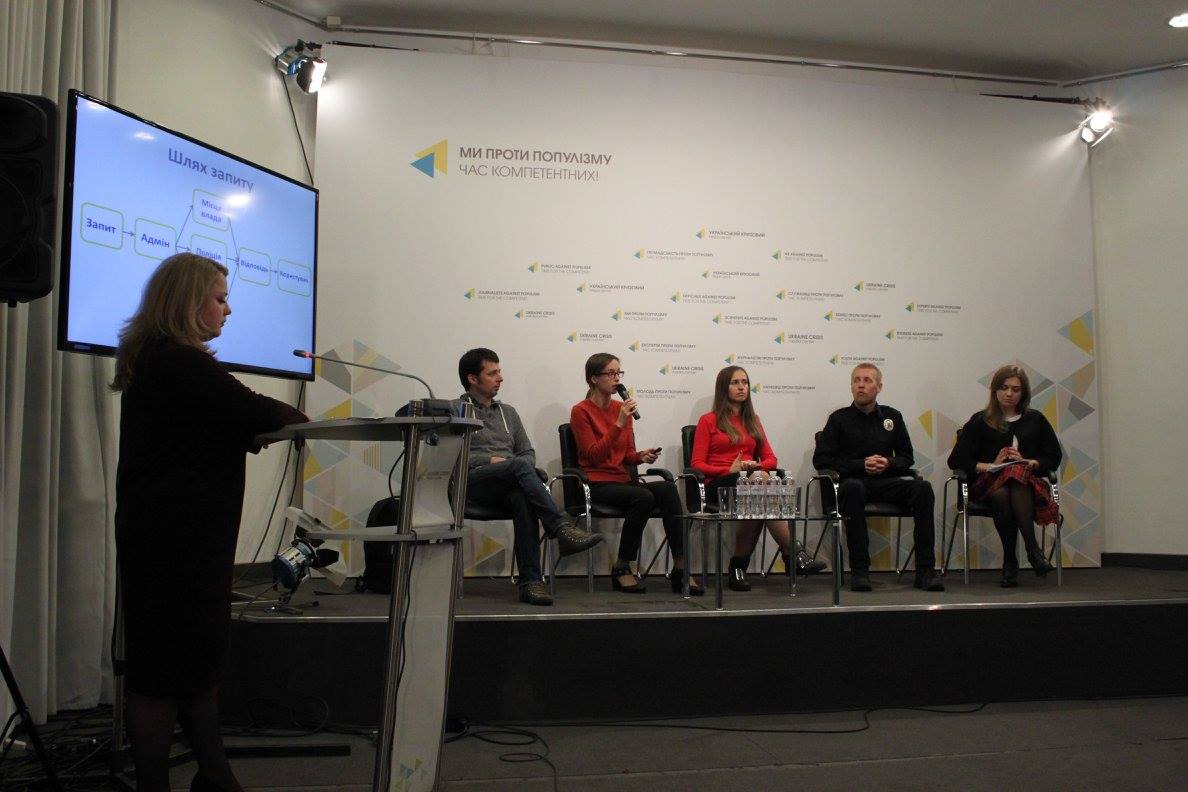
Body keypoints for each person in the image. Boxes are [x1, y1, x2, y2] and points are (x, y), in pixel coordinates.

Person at [112, 253, 309, 792]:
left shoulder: (157, 360)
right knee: (164, 670)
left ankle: (214, 774)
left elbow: (207, 426)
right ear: (187, 301)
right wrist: (282, 424)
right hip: (176, 542)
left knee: (192, 661)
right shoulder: (179, 361)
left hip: (174, 536)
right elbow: (262, 411)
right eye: (220, 297)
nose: (229, 308)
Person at [458, 348, 603, 606]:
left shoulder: (508, 413)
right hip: (472, 484)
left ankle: (531, 583)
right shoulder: (456, 411)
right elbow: (453, 456)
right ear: (472, 379)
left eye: (499, 372)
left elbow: (527, 452)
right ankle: (560, 528)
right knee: (519, 467)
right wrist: (492, 461)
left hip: (508, 483)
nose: (500, 378)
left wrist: (514, 466)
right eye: (492, 373)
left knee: (523, 496)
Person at [570, 353, 703, 595]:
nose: (617, 378)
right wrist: (619, 424)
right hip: (596, 483)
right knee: (643, 497)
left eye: (619, 373)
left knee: (667, 488)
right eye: (611, 373)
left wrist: (641, 456)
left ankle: (681, 567)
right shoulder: (581, 411)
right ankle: (622, 566)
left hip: (622, 482)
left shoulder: (621, 409)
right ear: (594, 379)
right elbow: (593, 456)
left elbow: (626, 455)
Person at [690, 365, 827, 590]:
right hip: (718, 485)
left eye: (745, 382)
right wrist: (729, 470)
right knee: (760, 486)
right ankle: (793, 552)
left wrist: (756, 466)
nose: (741, 387)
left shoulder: (752, 420)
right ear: (723, 387)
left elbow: (771, 458)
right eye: (735, 382)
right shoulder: (708, 420)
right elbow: (696, 464)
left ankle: (738, 569)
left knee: (758, 494)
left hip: (750, 481)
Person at [813, 363, 944, 593]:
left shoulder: (892, 417)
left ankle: (925, 571)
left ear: (879, 387)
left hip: (884, 483)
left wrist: (888, 463)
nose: (861, 385)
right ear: (851, 386)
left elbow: (907, 457)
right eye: (856, 380)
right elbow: (822, 460)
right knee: (853, 488)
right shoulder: (839, 419)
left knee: (922, 488)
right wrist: (860, 464)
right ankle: (860, 571)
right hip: (852, 484)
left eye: (867, 380)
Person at [947, 364, 1061, 587]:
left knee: (1010, 481)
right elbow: (956, 460)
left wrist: (1030, 461)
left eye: (1016, 389)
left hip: (1025, 483)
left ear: (1023, 393)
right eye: (1004, 388)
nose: (1009, 393)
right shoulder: (980, 421)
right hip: (986, 483)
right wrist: (991, 465)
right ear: (995, 391)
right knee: (1005, 482)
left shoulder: (1035, 420)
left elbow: (1053, 457)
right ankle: (1033, 550)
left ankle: (1010, 561)